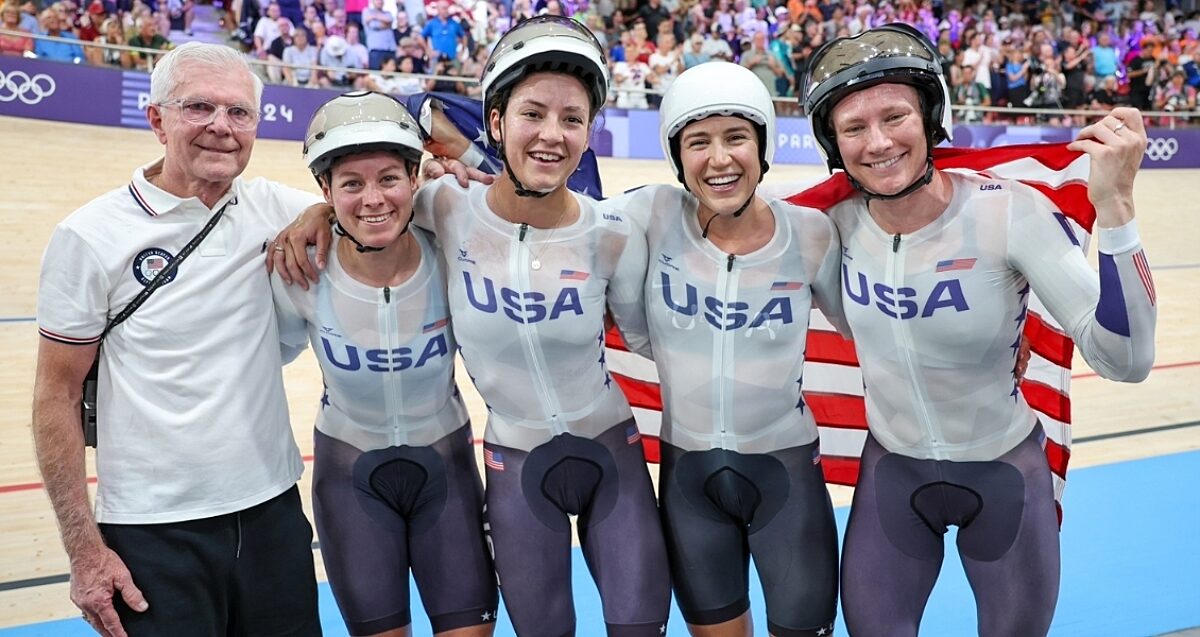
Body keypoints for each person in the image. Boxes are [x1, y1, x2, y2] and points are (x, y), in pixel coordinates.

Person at [275, 16, 672, 636]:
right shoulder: (445, 207)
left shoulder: (614, 232)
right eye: (532, 114)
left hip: (609, 451)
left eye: (572, 119)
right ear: (496, 122)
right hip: (514, 465)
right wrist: (319, 212)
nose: (552, 134)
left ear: (589, 133)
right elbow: (377, 183)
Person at [799, 23, 1157, 636]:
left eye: (895, 117)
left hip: (1005, 475)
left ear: (930, 117)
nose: (878, 142)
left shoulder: (1008, 211)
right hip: (893, 474)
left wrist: (1117, 207)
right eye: (854, 127)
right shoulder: (828, 228)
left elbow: (1127, 360)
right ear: (833, 142)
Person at [32, 42, 322, 637]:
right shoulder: (88, 235)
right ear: (157, 120)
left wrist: (325, 212)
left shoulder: (277, 208)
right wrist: (84, 550)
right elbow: (55, 397)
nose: (221, 126)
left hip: (272, 514)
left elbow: (380, 207)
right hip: (151, 533)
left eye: (239, 112)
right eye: (198, 107)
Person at [622, 61, 843, 637]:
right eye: (699, 142)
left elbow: (878, 327)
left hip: (785, 478)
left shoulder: (811, 233)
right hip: (688, 480)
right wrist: (465, 162)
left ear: (763, 146)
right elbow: (551, 217)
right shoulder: (651, 215)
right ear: (677, 157)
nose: (719, 159)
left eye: (736, 137)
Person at [273, 90, 499, 637]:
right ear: (325, 191)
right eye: (351, 183)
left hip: (446, 471)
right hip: (351, 480)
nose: (373, 199)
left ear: (415, 179)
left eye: (389, 179)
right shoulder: (301, 271)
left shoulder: (452, 250)